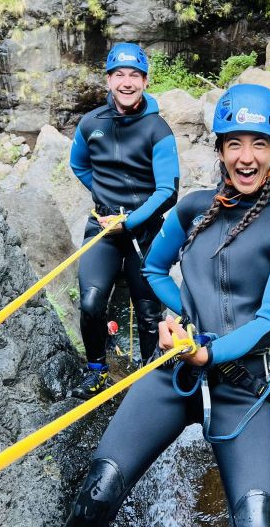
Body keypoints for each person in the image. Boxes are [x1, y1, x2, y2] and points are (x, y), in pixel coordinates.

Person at [64, 83, 270, 526]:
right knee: (98, 492)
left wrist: (211, 350)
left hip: (242, 386)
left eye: (259, 144)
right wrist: (185, 316)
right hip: (175, 371)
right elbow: (154, 271)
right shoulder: (193, 209)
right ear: (219, 149)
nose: (246, 157)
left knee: (257, 519)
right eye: (234, 143)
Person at [69, 42, 180, 398]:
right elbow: (79, 165)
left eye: (135, 75)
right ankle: (97, 370)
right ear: (109, 80)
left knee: (149, 313)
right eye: (120, 74)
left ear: (145, 81)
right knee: (90, 303)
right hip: (102, 229)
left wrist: (131, 220)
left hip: (144, 232)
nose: (127, 82)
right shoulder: (91, 124)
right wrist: (103, 199)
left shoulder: (157, 129)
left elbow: (168, 191)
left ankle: (150, 381)